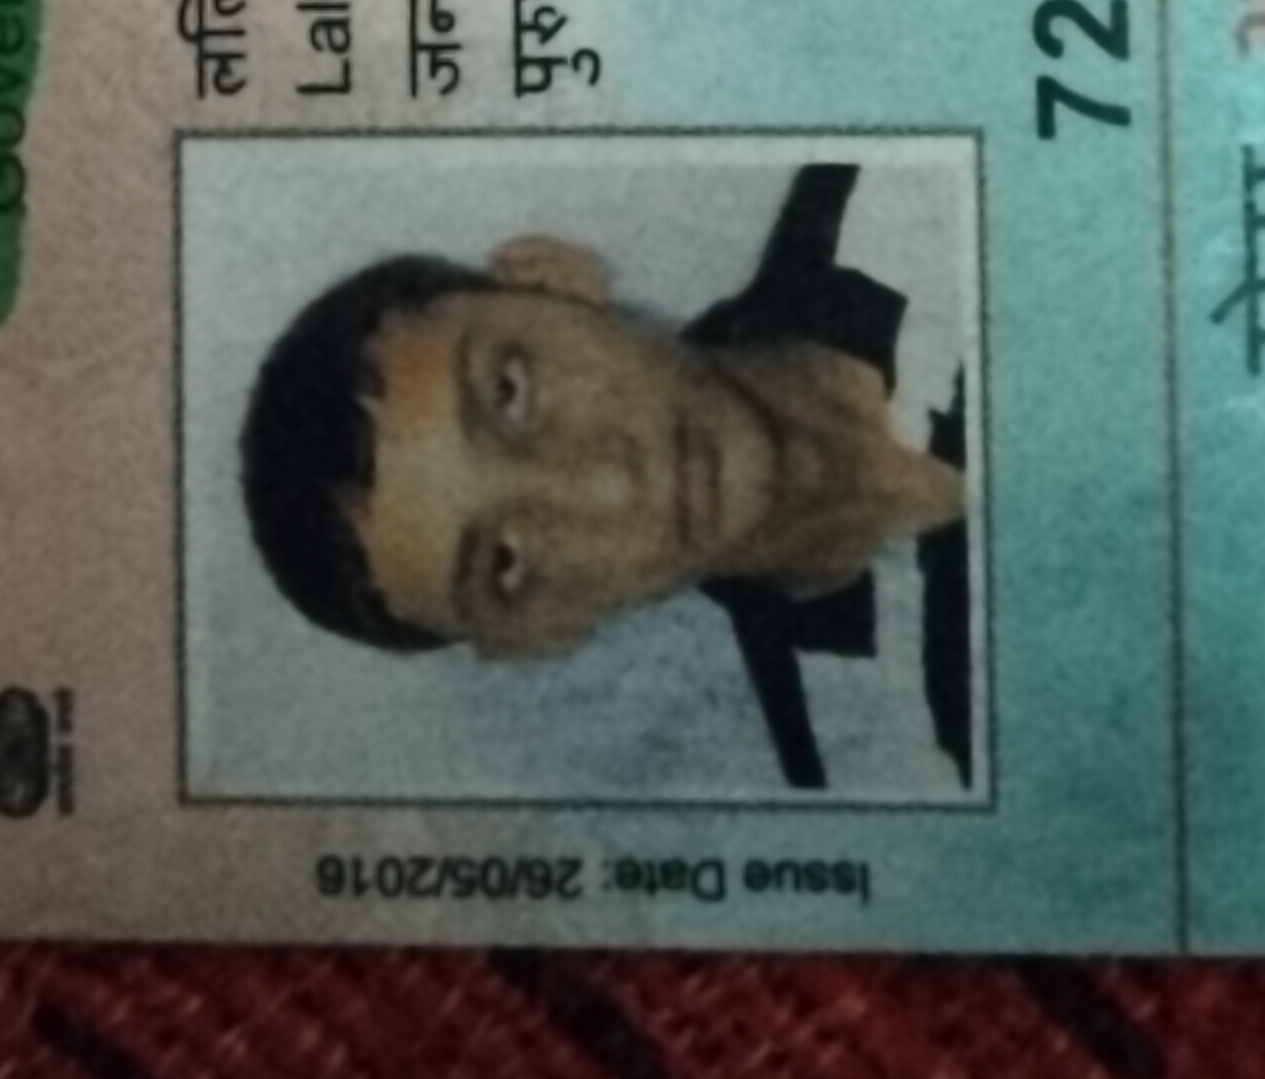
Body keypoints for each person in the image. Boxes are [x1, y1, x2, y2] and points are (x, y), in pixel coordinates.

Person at [238, 162, 973, 787]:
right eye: (506, 564)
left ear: (554, 280)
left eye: (511, 394)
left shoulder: (906, 198)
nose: (611, 488)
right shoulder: (886, 756)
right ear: (538, 640)